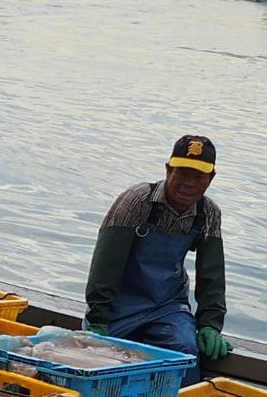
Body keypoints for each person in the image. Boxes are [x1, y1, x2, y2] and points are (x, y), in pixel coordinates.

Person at [84, 135, 231, 377]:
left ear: (211, 179)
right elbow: (105, 264)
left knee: (185, 350)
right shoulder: (136, 201)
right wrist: (99, 317)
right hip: (118, 304)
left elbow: (212, 275)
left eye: (199, 176)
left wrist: (210, 324)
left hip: (167, 306)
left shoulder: (208, 213)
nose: (189, 183)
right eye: (182, 173)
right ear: (168, 169)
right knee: (96, 359)